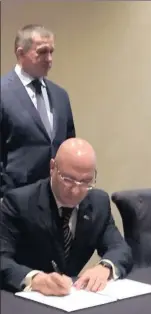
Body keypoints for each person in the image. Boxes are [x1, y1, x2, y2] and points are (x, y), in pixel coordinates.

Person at [0, 138, 133, 295]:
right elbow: (3, 259)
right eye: (68, 180)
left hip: (71, 299)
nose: (76, 191)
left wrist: (105, 267)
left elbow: (120, 248)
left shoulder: (99, 203)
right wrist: (35, 279)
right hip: (24, 301)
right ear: (52, 168)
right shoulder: (19, 202)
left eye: (85, 182)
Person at [0, 24, 75, 198]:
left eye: (52, 52)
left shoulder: (60, 95)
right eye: (42, 52)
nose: (49, 59)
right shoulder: (3, 93)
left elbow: (68, 143)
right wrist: (6, 195)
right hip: (15, 199)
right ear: (20, 53)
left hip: (56, 198)